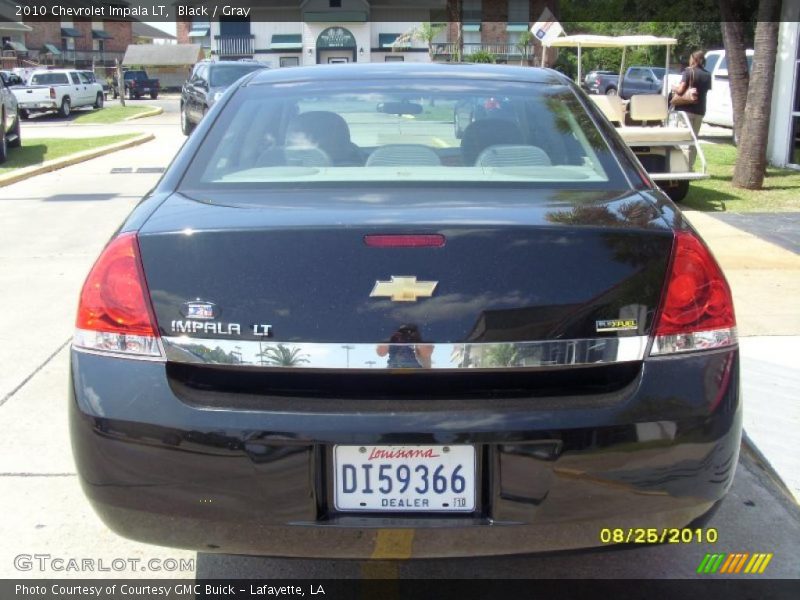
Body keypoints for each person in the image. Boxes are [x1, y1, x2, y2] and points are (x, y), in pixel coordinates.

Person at [671, 50, 712, 166]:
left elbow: (680, 90)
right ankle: (690, 166)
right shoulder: (707, 75)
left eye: (690, 58)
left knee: (684, 139)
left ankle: (684, 166)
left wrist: (674, 87)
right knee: (694, 139)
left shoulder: (688, 72)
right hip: (700, 110)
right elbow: (704, 91)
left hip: (686, 110)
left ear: (694, 59)